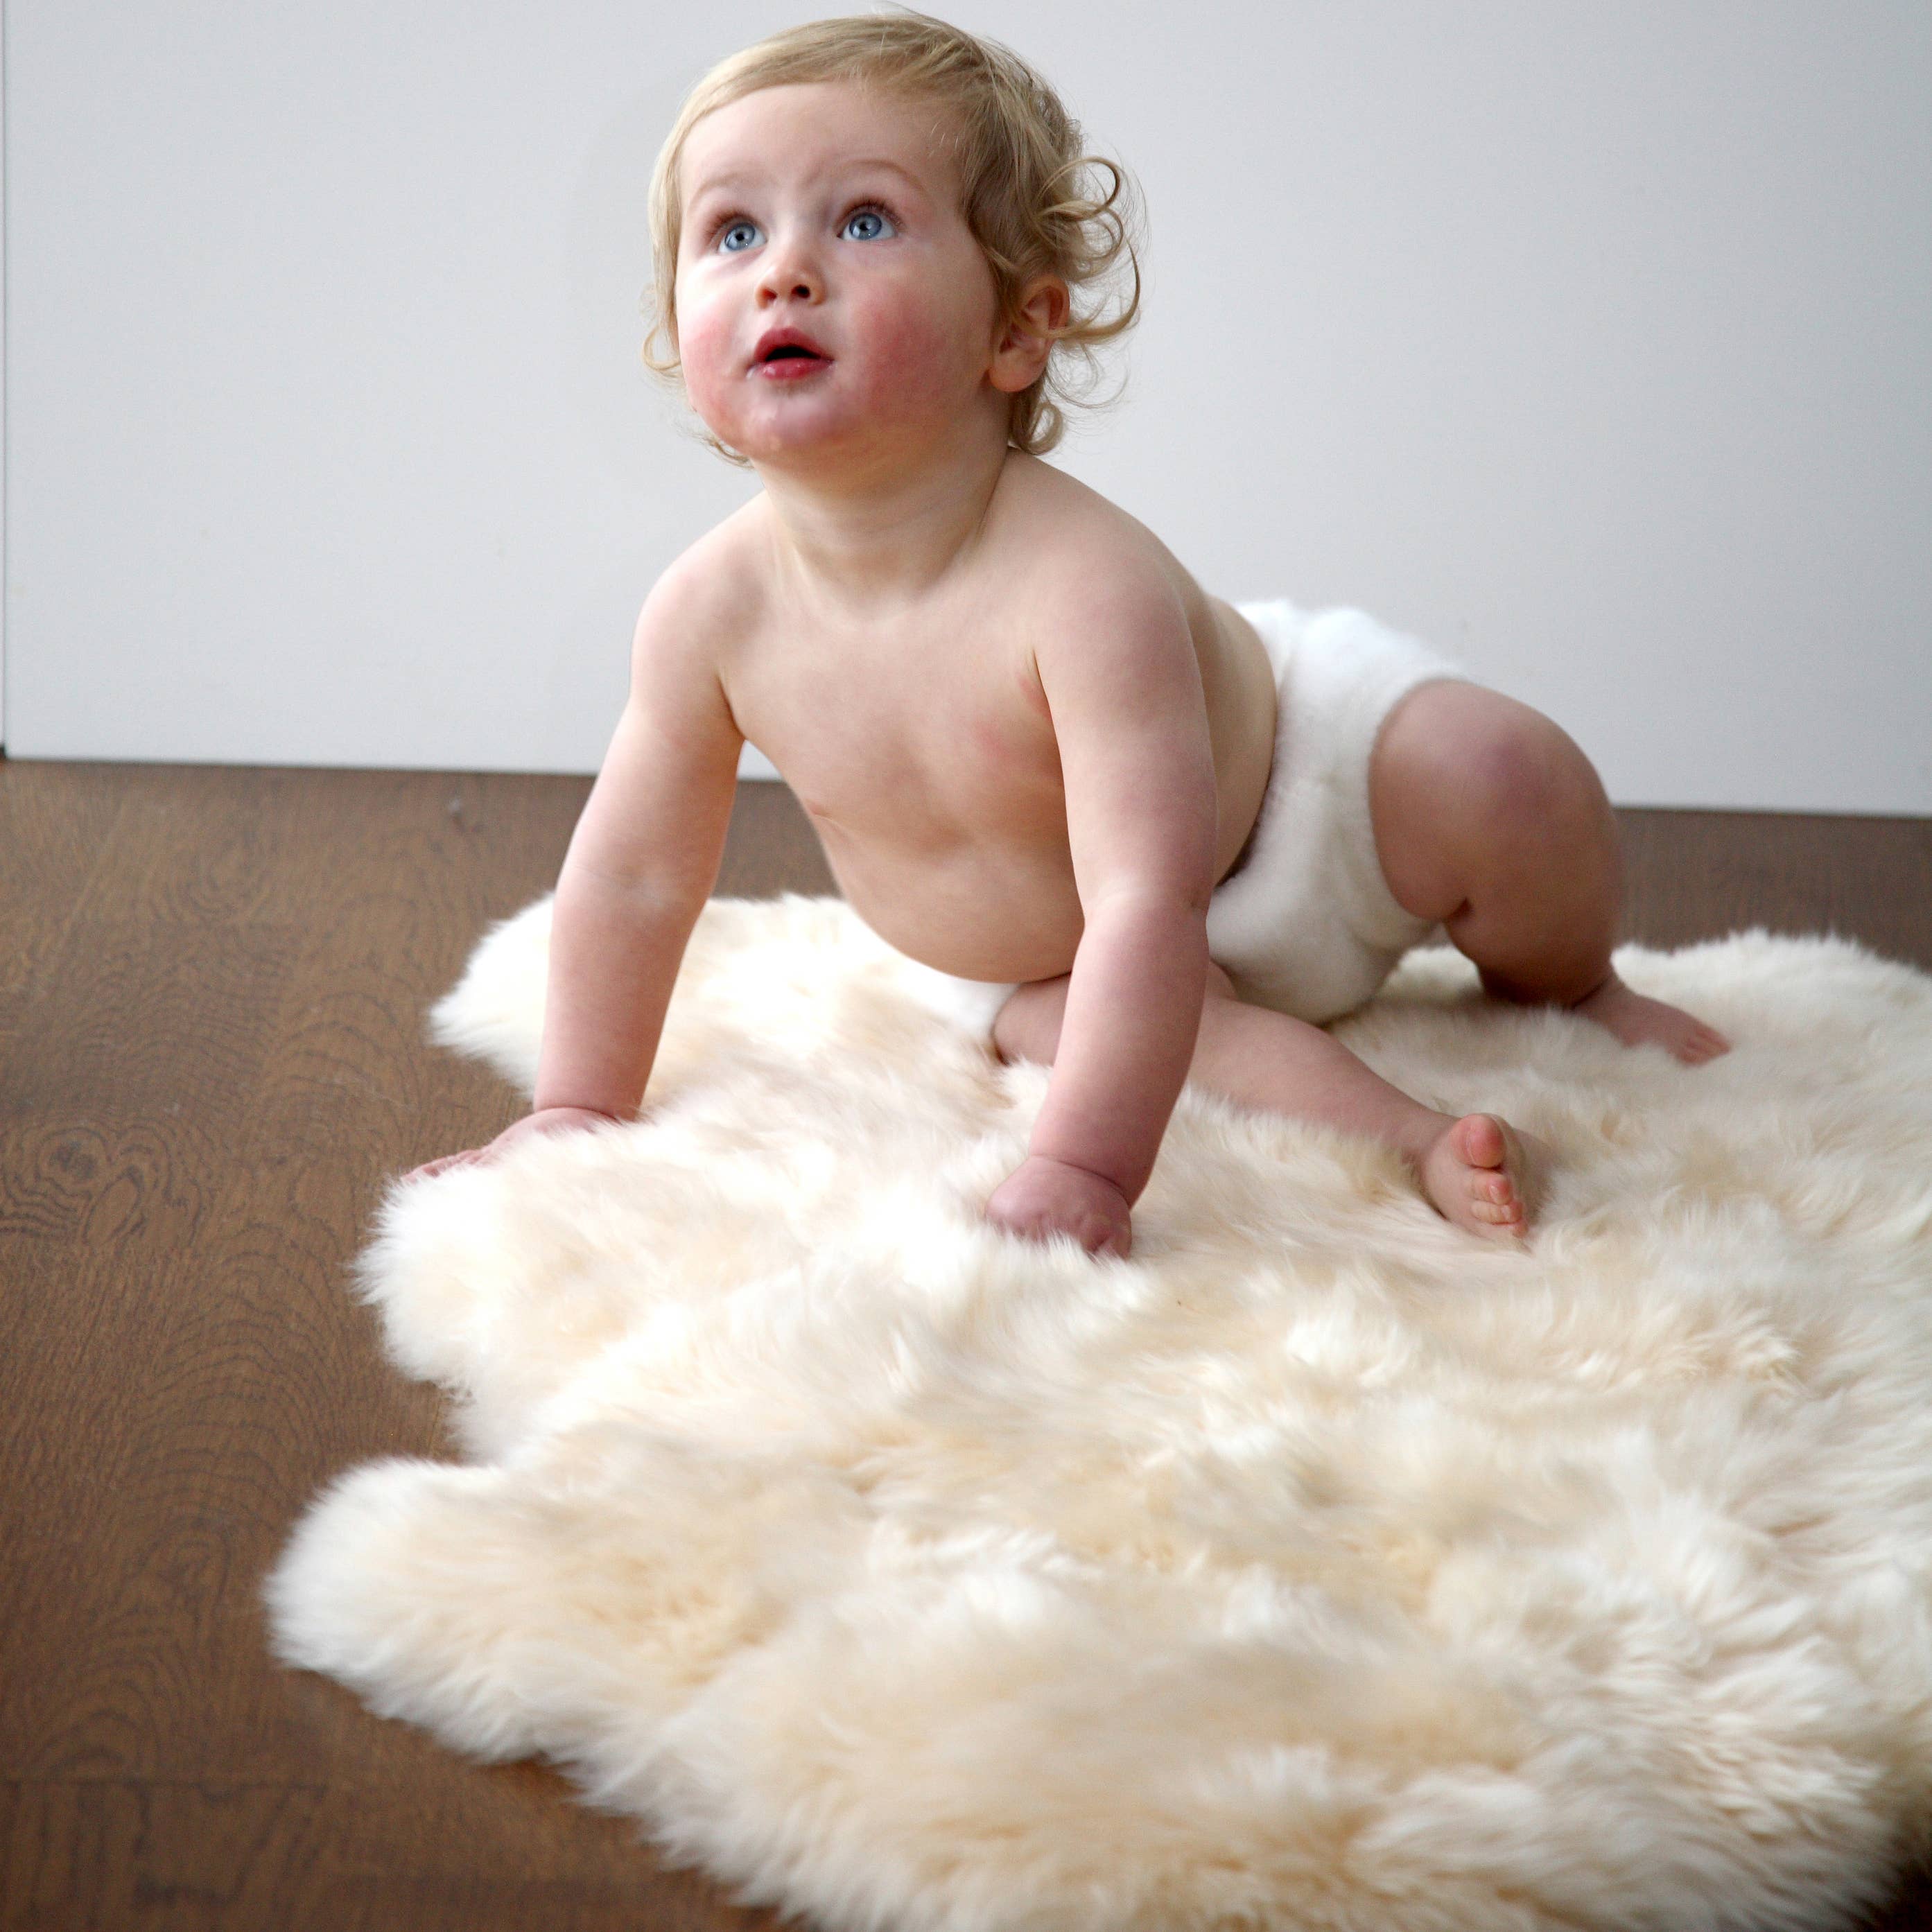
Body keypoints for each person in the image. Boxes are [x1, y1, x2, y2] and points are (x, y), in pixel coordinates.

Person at [406, 8, 1730, 1256]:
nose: (784, 272)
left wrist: (1086, 1170)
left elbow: (1150, 898)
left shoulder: (1085, 589)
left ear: (1020, 327)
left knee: (1503, 778)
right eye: (732, 232)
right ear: (676, 328)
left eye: (863, 220)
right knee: (1166, 1036)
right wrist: (575, 1103)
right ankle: (1421, 1138)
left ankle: (1575, 990)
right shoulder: (710, 611)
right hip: (1047, 963)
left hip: (1290, 810)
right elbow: (635, 880)